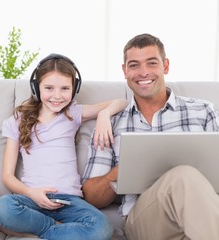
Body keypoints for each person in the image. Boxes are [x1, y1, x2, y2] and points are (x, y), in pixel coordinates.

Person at [82, 33, 219, 240]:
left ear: (165, 66)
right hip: (144, 221)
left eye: (151, 63)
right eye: (134, 65)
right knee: (183, 176)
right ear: (125, 71)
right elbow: (92, 196)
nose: (143, 72)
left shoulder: (203, 111)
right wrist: (121, 171)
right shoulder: (111, 124)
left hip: (201, 214)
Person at [0, 53, 129, 240]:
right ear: (36, 87)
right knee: (3, 207)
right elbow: (7, 176)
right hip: (32, 198)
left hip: (69, 200)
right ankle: (57, 230)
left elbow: (121, 102)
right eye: (49, 88)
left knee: (103, 227)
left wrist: (104, 115)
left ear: (74, 89)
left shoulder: (72, 112)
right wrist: (31, 193)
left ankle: (41, 232)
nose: (57, 96)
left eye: (65, 88)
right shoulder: (17, 121)